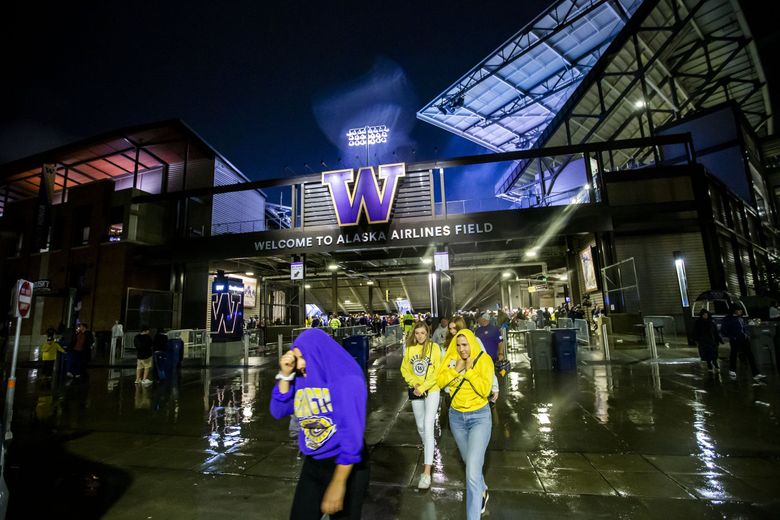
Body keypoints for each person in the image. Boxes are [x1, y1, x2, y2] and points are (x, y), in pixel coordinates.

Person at [270, 329, 369, 519]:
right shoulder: (301, 378)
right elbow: (277, 411)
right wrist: (284, 374)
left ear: (316, 353)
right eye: (295, 357)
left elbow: (351, 437)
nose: (298, 364)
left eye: (301, 357)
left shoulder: (347, 379)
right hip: (314, 462)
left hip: (347, 464)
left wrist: (338, 483)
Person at [437, 329, 494, 519]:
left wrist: (468, 371)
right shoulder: (452, 358)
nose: (462, 349)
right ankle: (482, 490)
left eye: (465, 344)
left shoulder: (484, 360)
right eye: (459, 345)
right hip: (456, 418)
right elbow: (440, 381)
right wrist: (456, 369)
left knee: (471, 474)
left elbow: (485, 389)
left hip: (479, 418)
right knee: (471, 465)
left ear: (472, 343)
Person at [400, 321, 442, 489]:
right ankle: (429, 450)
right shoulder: (410, 350)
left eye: (422, 333)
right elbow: (405, 370)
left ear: (428, 333)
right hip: (416, 390)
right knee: (420, 427)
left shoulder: (435, 348)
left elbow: (438, 371)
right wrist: (414, 384)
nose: (419, 336)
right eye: (417, 333)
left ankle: (426, 472)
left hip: (432, 390)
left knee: (428, 425)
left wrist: (423, 387)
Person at [448, 316, 499, 402]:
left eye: (455, 328)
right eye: (450, 328)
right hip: (455, 389)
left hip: (473, 384)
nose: (452, 331)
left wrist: (494, 386)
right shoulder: (448, 343)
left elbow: (485, 363)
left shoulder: (475, 341)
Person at [720, 304, 765, 381]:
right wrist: (732, 337)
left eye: (741, 310)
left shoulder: (740, 318)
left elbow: (744, 327)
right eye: (739, 310)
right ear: (734, 310)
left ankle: (756, 373)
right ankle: (732, 370)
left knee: (750, 355)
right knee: (734, 354)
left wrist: (746, 334)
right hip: (735, 340)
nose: (740, 311)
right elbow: (723, 331)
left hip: (744, 339)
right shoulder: (727, 319)